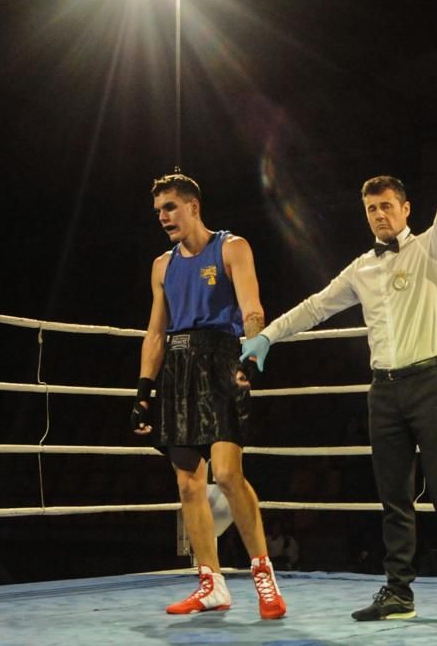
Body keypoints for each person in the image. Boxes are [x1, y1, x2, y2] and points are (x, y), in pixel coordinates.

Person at [239, 77, 437, 626]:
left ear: (405, 209)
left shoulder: (432, 248)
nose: (377, 213)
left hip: (432, 383)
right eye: (370, 207)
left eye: (386, 205)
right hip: (384, 391)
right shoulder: (361, 267)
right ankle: (399, 590)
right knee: (393, 497)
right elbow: (316, 306)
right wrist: (268, 336)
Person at [129, 171, 286, 619]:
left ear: (193, 206)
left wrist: (250, 353)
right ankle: (211, 583)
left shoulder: (232, 247)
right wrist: (143, 389)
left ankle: (263, 574)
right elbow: (156, 331)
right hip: (177, 367)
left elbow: (252, 308)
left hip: (221, 360)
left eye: (171, 207)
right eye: (159, 210)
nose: (163, 216)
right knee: (187, 483)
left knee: (227, 473)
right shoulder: (163, 265)